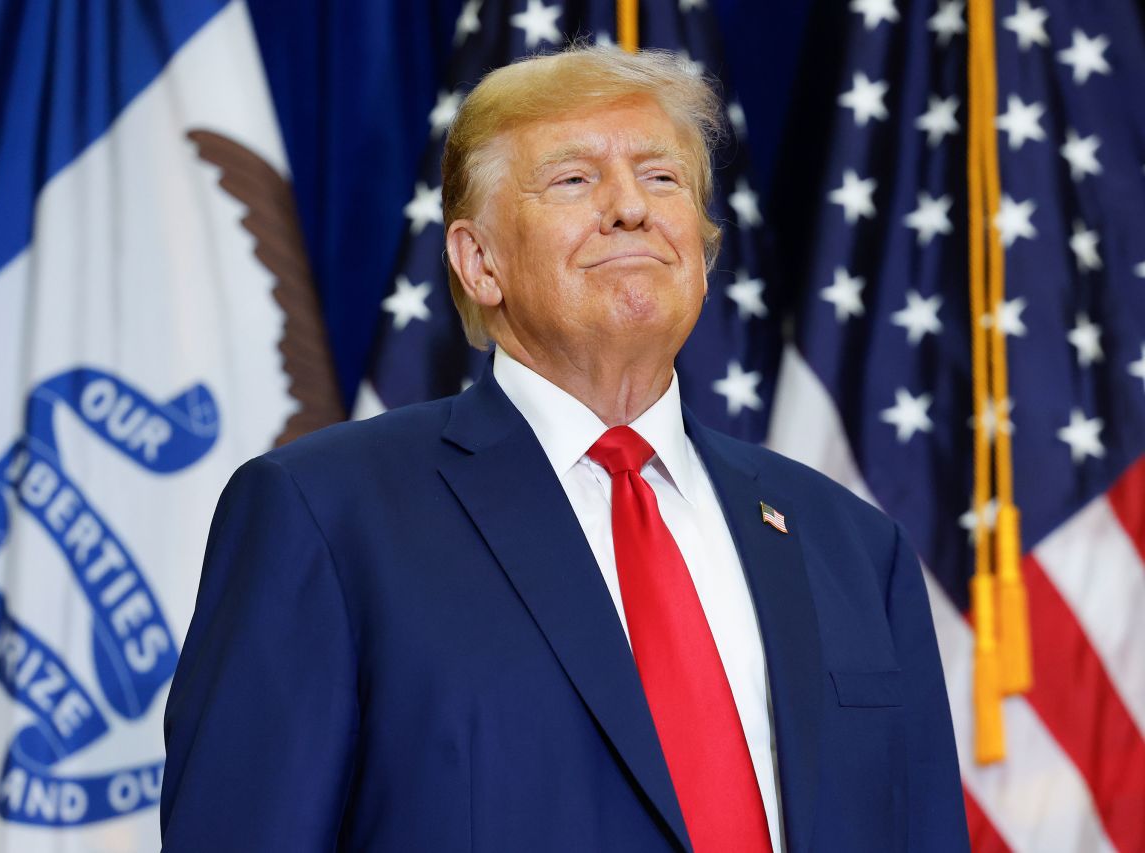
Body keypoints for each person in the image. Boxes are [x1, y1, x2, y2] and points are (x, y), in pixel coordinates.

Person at [160, 46, 969, 852]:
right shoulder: (326, 517)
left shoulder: (855, 547)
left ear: (705, 248)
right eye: (575, 180)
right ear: (479, 262)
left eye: (662, 178)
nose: (630, 208)